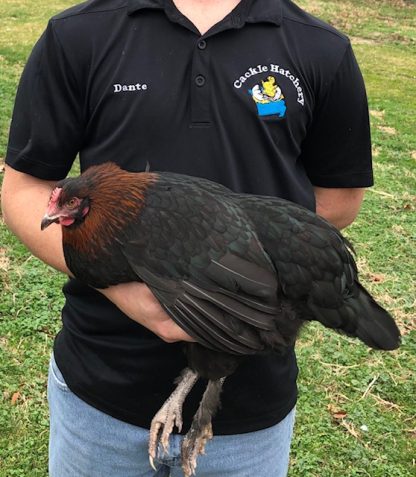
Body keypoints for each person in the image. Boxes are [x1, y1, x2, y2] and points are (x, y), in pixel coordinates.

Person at [1, 0, 373, 475]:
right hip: (101, 397)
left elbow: (340, 199)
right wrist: (127, 289)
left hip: (249, 402)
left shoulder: (321, 47)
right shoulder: (80, 33)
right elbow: (25, 190)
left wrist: (227, 257)